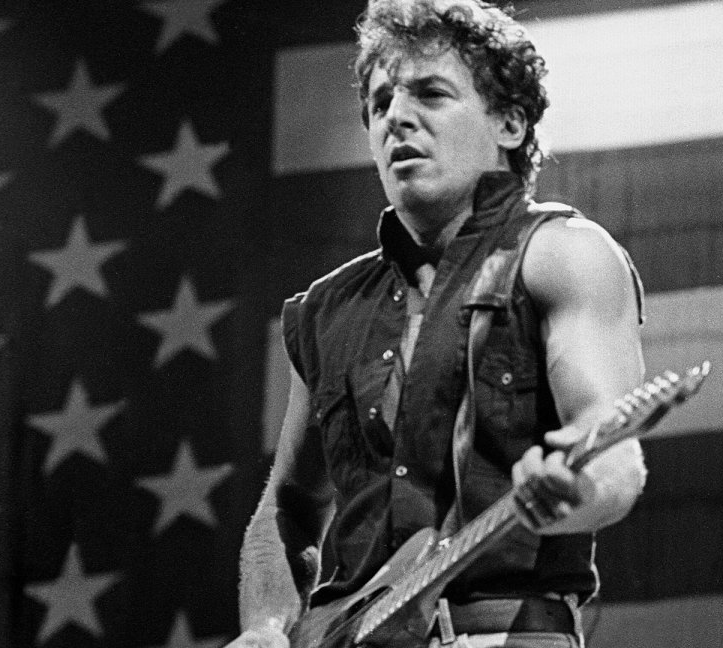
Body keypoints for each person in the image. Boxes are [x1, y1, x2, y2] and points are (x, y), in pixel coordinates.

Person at [228, 1, 646, 646]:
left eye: (430, 93)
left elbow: (614, 458)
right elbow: (287, 510)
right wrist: (263, 627)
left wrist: (571, 493)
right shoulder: (325, 310)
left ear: (510, 123)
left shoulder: (562, 255)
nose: (396, 116)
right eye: (380, 103)